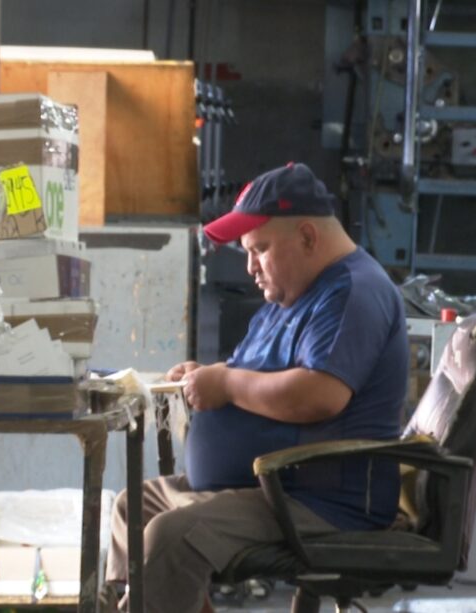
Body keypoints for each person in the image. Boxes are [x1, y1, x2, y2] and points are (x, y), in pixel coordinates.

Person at [104, 162, 410, 613]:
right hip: (267, 489)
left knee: (172, 536)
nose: (250, 267)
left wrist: (227, 384)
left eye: (260, 249)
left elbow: (320, 394)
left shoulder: (351, 291)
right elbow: (261, 370)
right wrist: (204, 374)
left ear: (308, 237)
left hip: (316, 501)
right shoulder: (293, 293)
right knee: (135, 508)